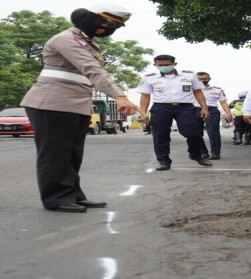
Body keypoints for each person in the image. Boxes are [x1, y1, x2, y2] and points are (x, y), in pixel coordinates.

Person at [20, 4, 144, 213]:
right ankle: (56, 198)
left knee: (72, 154)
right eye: (108, 24)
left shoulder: (87, 43)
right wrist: (120, 96)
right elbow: (91, 69)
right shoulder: (66, 39)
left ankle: (73, 194)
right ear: (92, 20)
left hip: (75, 103)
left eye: (115, 25)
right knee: (55, 154)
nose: (109, 29)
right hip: (52, 102)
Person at [137, 54, 212, 171]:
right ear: (155, 65)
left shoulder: (189, 75)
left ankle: (195, 154)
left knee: (194, 133)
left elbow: (198, 92)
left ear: (174, 64)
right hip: (160, 108)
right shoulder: (149, 77)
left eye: (167, 65)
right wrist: (143, 112)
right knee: (160, 136)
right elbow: (145, 96)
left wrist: (204, 108)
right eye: (160, 65)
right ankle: (163, 161)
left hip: (185, 108)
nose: (164, 67)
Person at [195, 72, 233, 160]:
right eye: (200, 79)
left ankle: (215, 153)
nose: (202, 81)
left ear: (209, 79)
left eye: (204, 79)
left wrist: (228, 113)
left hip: (212, 111)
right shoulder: (191, 89)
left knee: (213, 132)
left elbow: (223, 102)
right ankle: (203, 152)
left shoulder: (217, 89)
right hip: (196, 110)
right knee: (195, 133)